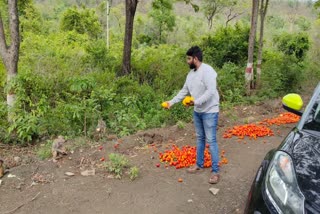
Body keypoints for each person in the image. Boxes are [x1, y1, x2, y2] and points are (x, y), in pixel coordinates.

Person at [163, 46, 220, 184]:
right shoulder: (191, 75)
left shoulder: (207, 71)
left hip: (210, 111)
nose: (187, 61)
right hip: (198, 111)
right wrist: (171, 102)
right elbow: (184, 91)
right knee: (200, 138)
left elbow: (211, 91)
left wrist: (195, 102)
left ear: (195, 58)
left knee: (211, 140)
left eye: (189, 59)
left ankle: (215, 171)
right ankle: (199, 165)